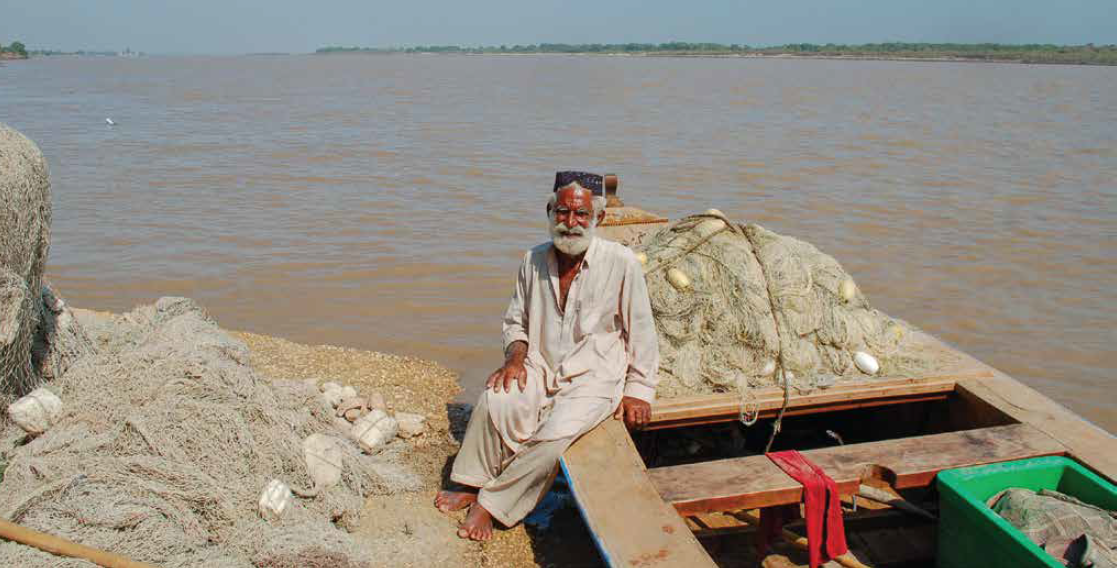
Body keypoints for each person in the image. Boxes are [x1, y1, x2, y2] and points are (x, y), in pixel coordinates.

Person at [435, 171, 660, 541]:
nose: (571, 223)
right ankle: (470, 482)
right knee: (496, 400)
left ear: (597, 219)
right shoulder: (532, 260)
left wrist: (639, 390)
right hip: (539, 365)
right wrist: (515, 358)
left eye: (581, 215)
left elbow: (642, 332)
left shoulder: (621, 263)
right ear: (550, 212)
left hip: (594, 375)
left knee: (553, 440)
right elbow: (515, 323)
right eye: (562, 213)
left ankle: (492, 504)